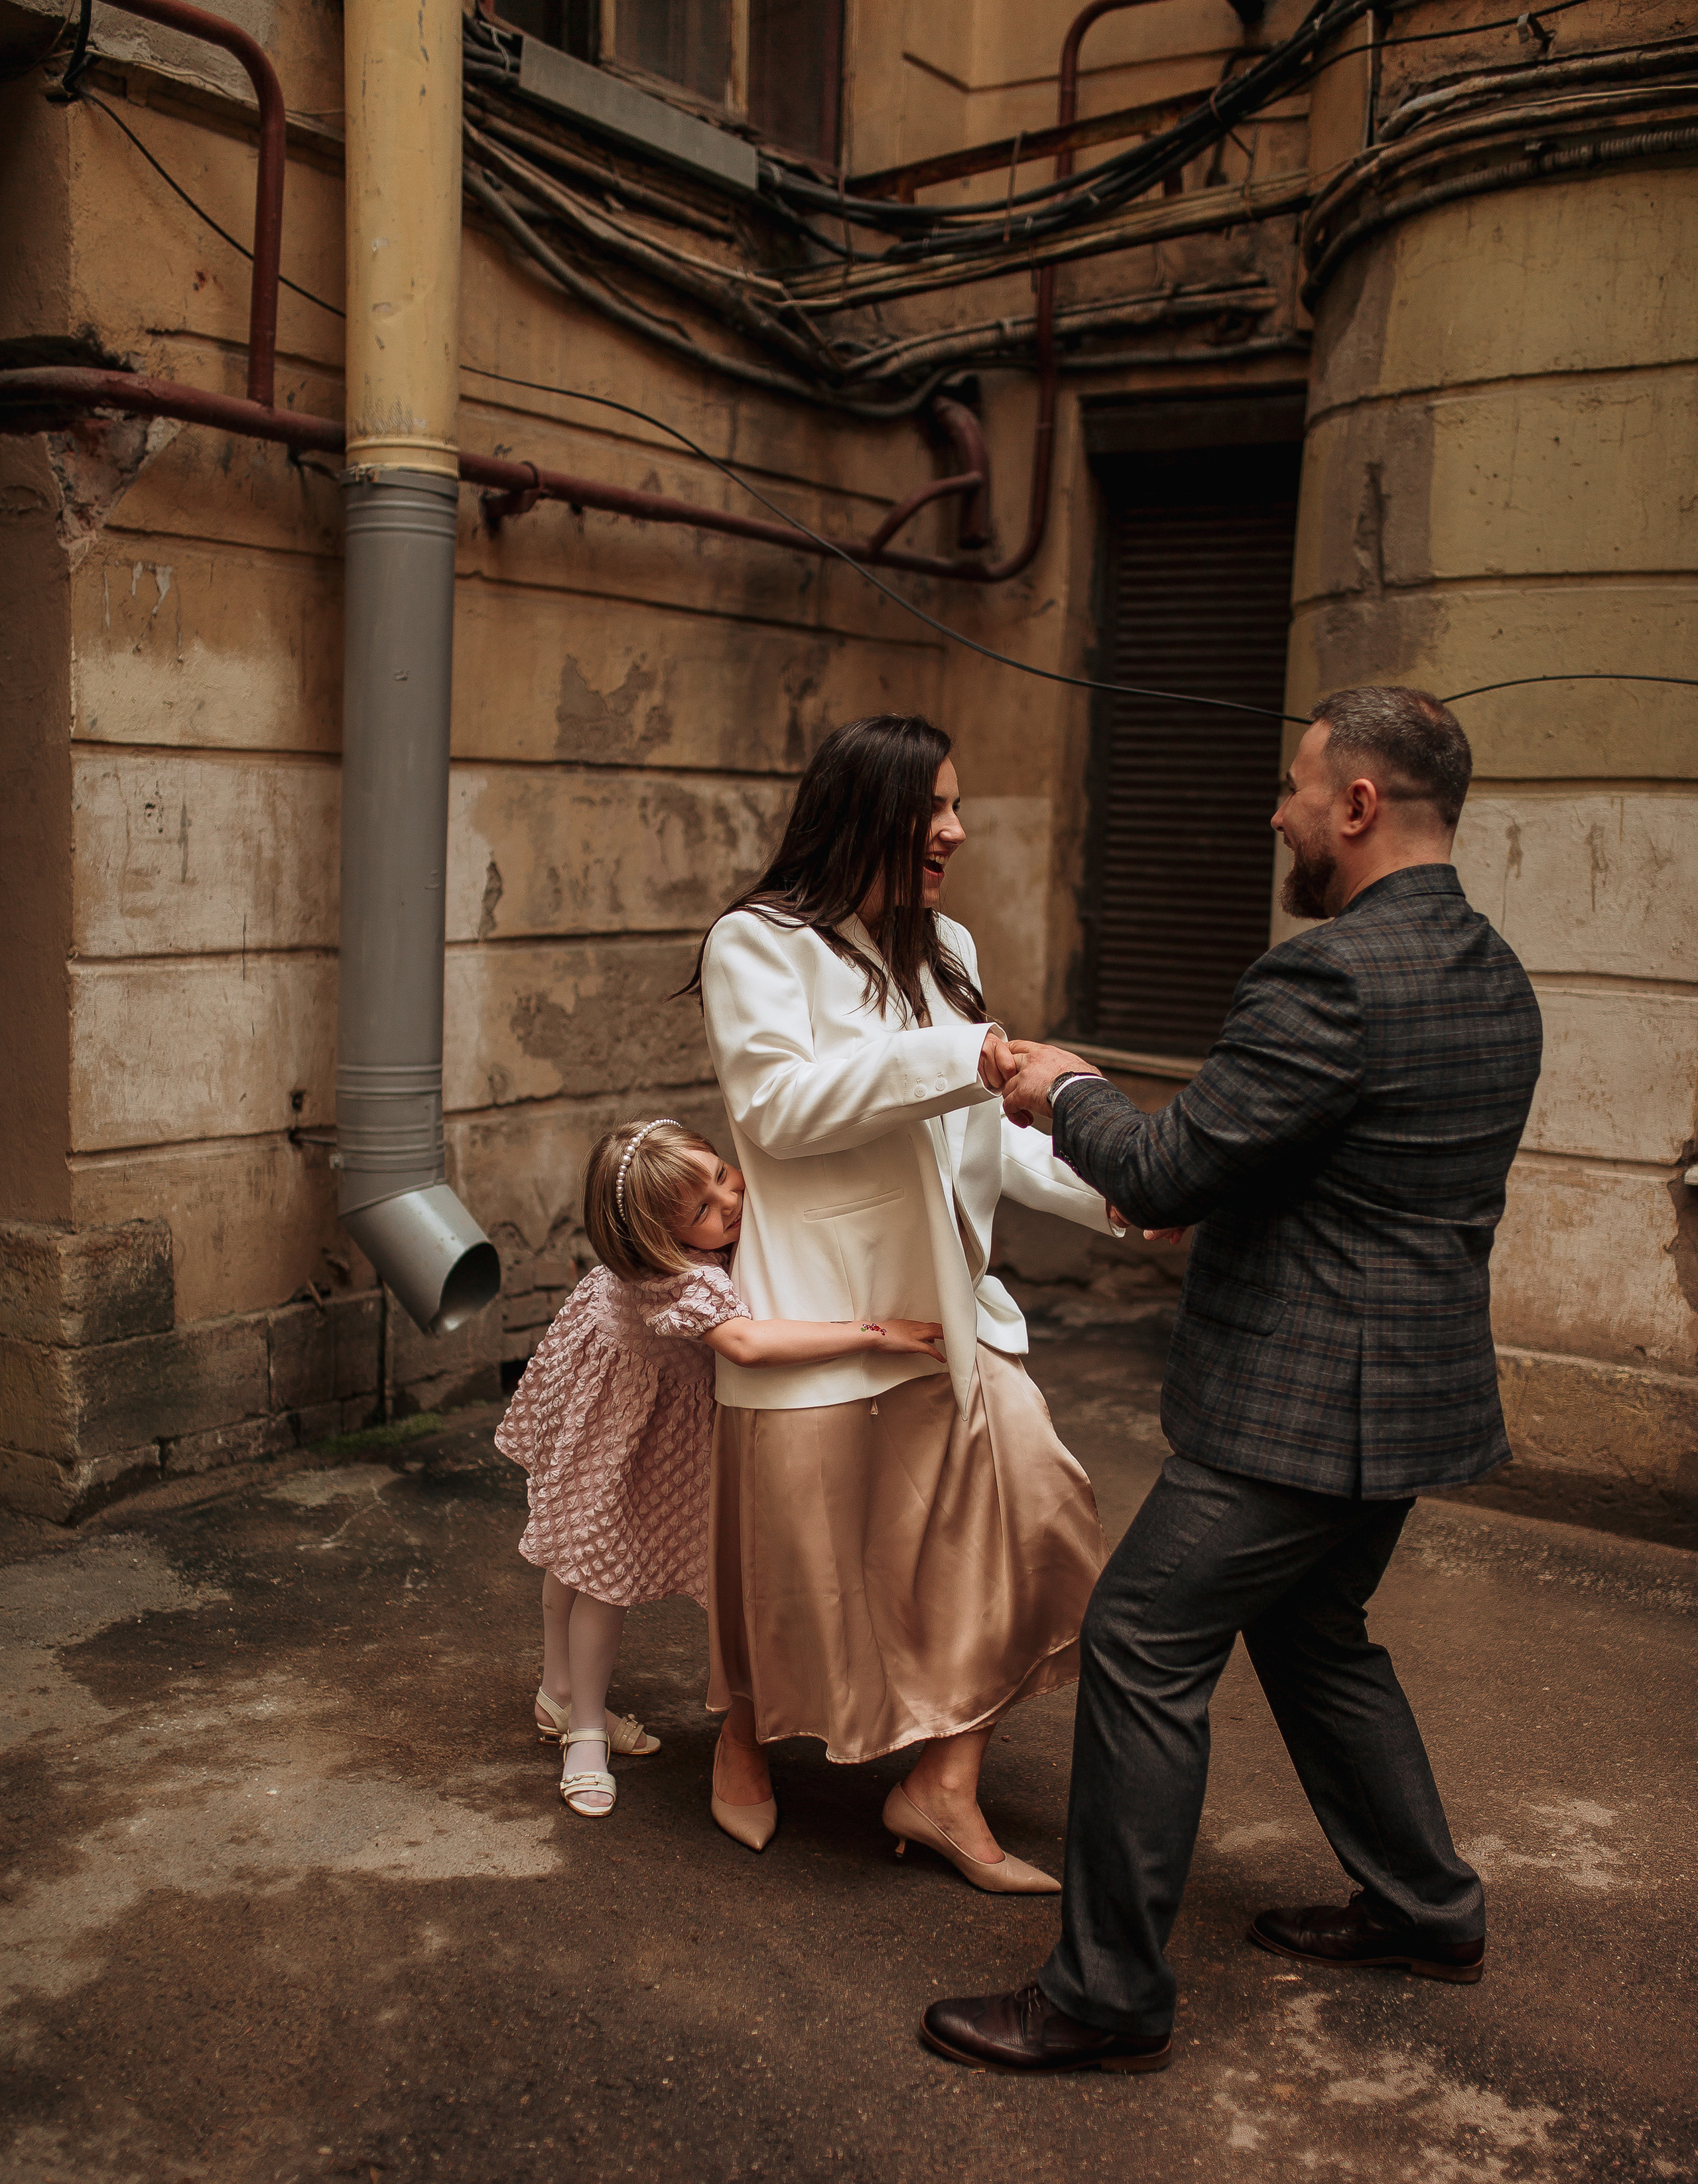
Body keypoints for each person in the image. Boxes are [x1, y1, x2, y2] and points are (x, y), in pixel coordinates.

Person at [922, 685, 1543, 2073]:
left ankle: (1101, 1997)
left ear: (1358, 805)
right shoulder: (1492, 971)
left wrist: (1064, 1089)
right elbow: (1344, 1165)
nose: (1273, 811)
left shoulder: (1324, 977)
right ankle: (1425, 1908)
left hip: (1303, 1406)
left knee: (1141, 1642)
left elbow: (1166, 1170)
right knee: (1314, 1630)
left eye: (1291, 785)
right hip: (1414, 1391)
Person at [691, 715, 1112, 1890]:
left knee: (1037, 1525)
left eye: (958, 807)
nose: (958, 831)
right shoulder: (758, 944)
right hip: (820, 1318)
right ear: (868, 809)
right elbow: (780, 1110)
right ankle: (745, 1733)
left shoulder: (951, 950)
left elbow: (990, 1137)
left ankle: (940, 1790)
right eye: (936, 808)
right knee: (803, 1578)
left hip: (954, 1320)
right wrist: (958, 1060)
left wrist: (1123, 1200)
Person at [495, 1118, 944, 1819]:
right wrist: (875, 1333)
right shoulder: (673, 1281)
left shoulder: (696, 1249)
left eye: (721, 1175)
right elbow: (747, 1344)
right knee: (594, 1574)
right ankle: (584, 1728)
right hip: (617, 1426)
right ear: (660, 1239)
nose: (728, 1201)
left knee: (574, 1562)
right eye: (701, 1210)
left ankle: (557, 1692)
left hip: (603, 1404)